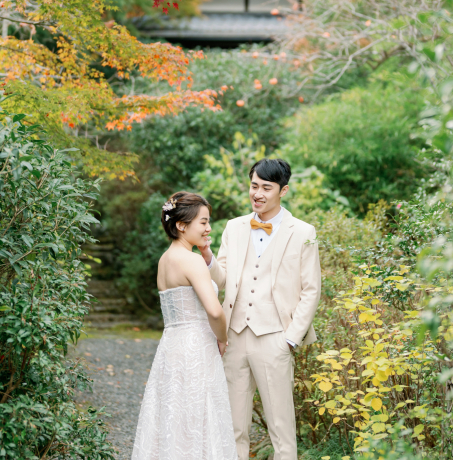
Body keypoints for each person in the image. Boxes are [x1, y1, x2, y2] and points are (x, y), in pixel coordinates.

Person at [202, 158, 322, 460]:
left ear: (283, 190)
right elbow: (223, 277)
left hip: (275, 337)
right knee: (233, 426)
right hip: (234, 335)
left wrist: (290, 339)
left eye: (266, 188)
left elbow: (311, 290)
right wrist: (206, 257)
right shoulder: (234, 227)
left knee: (280, 428)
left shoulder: (304, 232)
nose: (258, 193)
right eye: (254, 186)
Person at [131, 192, 237, 460]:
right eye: (203, 222)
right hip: (196, 348)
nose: (208, 228)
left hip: (171, 346)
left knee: (172, 418)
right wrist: (223, 338)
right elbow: (214, 310)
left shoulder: (165, 260)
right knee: (199, 417)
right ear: (181, 225)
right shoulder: (191, 261)